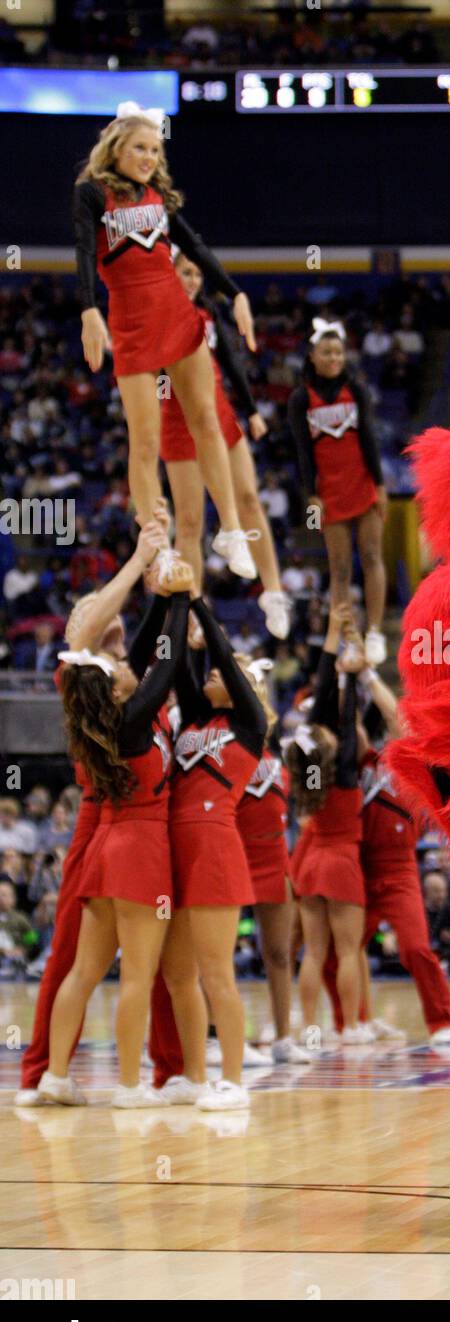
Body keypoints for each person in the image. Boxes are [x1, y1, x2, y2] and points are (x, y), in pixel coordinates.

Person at [16, 532, 185, 1106]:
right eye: (98, 618)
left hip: (109, 834)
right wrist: (149, 566)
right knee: (130, 971)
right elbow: (157, 654)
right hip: (128, 837)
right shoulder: (91, 681)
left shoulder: (108, 692)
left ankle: (58, 1077)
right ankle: (127, 1086)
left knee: (85, 969)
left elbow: (143, 649)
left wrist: (161, 587)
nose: (115, 630)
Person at [73, 102, 257, 581]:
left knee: (207, 422)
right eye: (140, 147)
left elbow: (195, 248)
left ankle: (232, 530)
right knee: (145, 441)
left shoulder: (157, 195)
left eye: (155, 149)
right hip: (130, 321)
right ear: (115, 149)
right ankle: (158, 542)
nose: (149, 156)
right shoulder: (92, 195)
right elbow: (83, 253)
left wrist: (234, 293)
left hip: (176, 312)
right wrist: (89, 311)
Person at [321, 634, 450, 1045]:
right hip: (357, 866)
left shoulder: (405, 751)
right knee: (337, 955)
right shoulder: (354, 758)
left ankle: (443, 1022)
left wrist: (364, 673)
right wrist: (343, 677)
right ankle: (356, 1022)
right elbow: (345, 725)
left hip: (399, 868)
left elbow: (399, 718)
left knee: (416, 948)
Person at [161, 597, 268, 1111]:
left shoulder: (249, 725)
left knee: (215, 971)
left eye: (229, 672)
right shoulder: (195, 722)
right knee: (177, 974)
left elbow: (224, 660)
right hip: (173, 850)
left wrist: (201, 607)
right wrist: (177, 605)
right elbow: (182, 666)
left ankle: (233, 1080)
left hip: (215, 850)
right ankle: (195, 1075)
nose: (215, 673)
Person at [162, 254, 291, 640]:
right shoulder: (155, 312)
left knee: (249, 499)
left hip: (217, 409)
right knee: (189, 523)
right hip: (173, 416)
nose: (193, 280)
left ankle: (274, 593)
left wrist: (250, 409)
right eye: (185, 272)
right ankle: (193, 612)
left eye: (199, 274)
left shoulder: (208, 311)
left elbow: (232, 360)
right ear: (168, 272)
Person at [286, 603, 370, 1043]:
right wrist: (351, 674)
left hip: (309, 863)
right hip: (339, 865)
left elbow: (321, 704)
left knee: (313, 951)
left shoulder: (307, 775)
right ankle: (351, 1027)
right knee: (348, 949)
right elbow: (339, 709)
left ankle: (309, 1026)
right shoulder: (345, 772)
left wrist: (334, 642)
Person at [287, 321, 387, 666]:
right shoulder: (301, 398)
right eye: (327, 352)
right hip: (329, 492)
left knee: (372, 556)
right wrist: (309, 494)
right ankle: (348, 639)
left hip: (363, 484)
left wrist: (381, 484)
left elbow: (370, 439)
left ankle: (374, 631)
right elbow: (302, 451)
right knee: (340, 568)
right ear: (313, 356)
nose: (333, 358)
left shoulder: (355, 389)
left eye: (339, 353)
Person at [234, 660, 313, 1063]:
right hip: (233, 853)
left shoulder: (276, 745)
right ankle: (223, 1038)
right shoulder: (226, 736)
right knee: (221, 952)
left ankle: (283, 1036)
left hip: (274, 855)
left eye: (259, 685)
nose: (257, 692)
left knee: (280, 952)